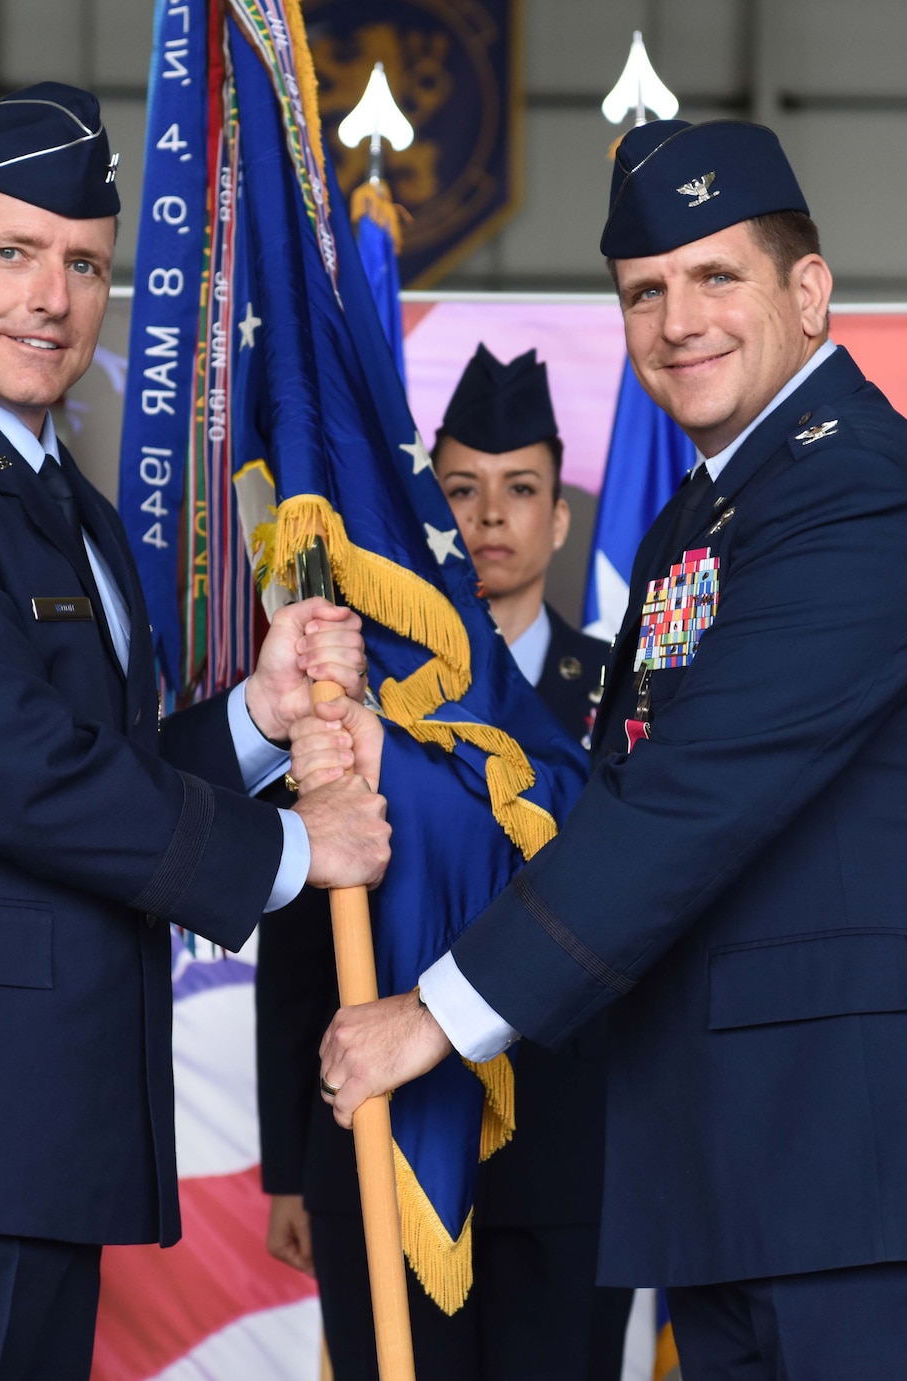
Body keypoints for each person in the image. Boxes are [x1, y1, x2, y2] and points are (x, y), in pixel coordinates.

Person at [311, 118, 907, 1380]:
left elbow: (691, 800)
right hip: (743, 1174)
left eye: (714, 277)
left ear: (807, 289)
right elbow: (624, 790)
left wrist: (439, 1013)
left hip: (885, 1180)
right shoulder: (712, 507)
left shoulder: (855, 493)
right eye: (644, 291)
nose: (677, 318)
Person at [0, 83, 391, 1381]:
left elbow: (93, 755)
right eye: (11, 253)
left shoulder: (69, 511)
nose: (51, 294)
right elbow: (13, 773)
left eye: (83, 263)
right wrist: (285, 855)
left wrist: (257, 718)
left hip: (31, 1143)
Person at [256, 344, 626, 1380]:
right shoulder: (355, 696)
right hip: (379, 1140)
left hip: (570, 1154)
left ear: (559, 517)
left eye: (521, 491)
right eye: (460, 489)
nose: (490, 517)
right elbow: (300, 932)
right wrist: (289, 1161)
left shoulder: (612, 697)